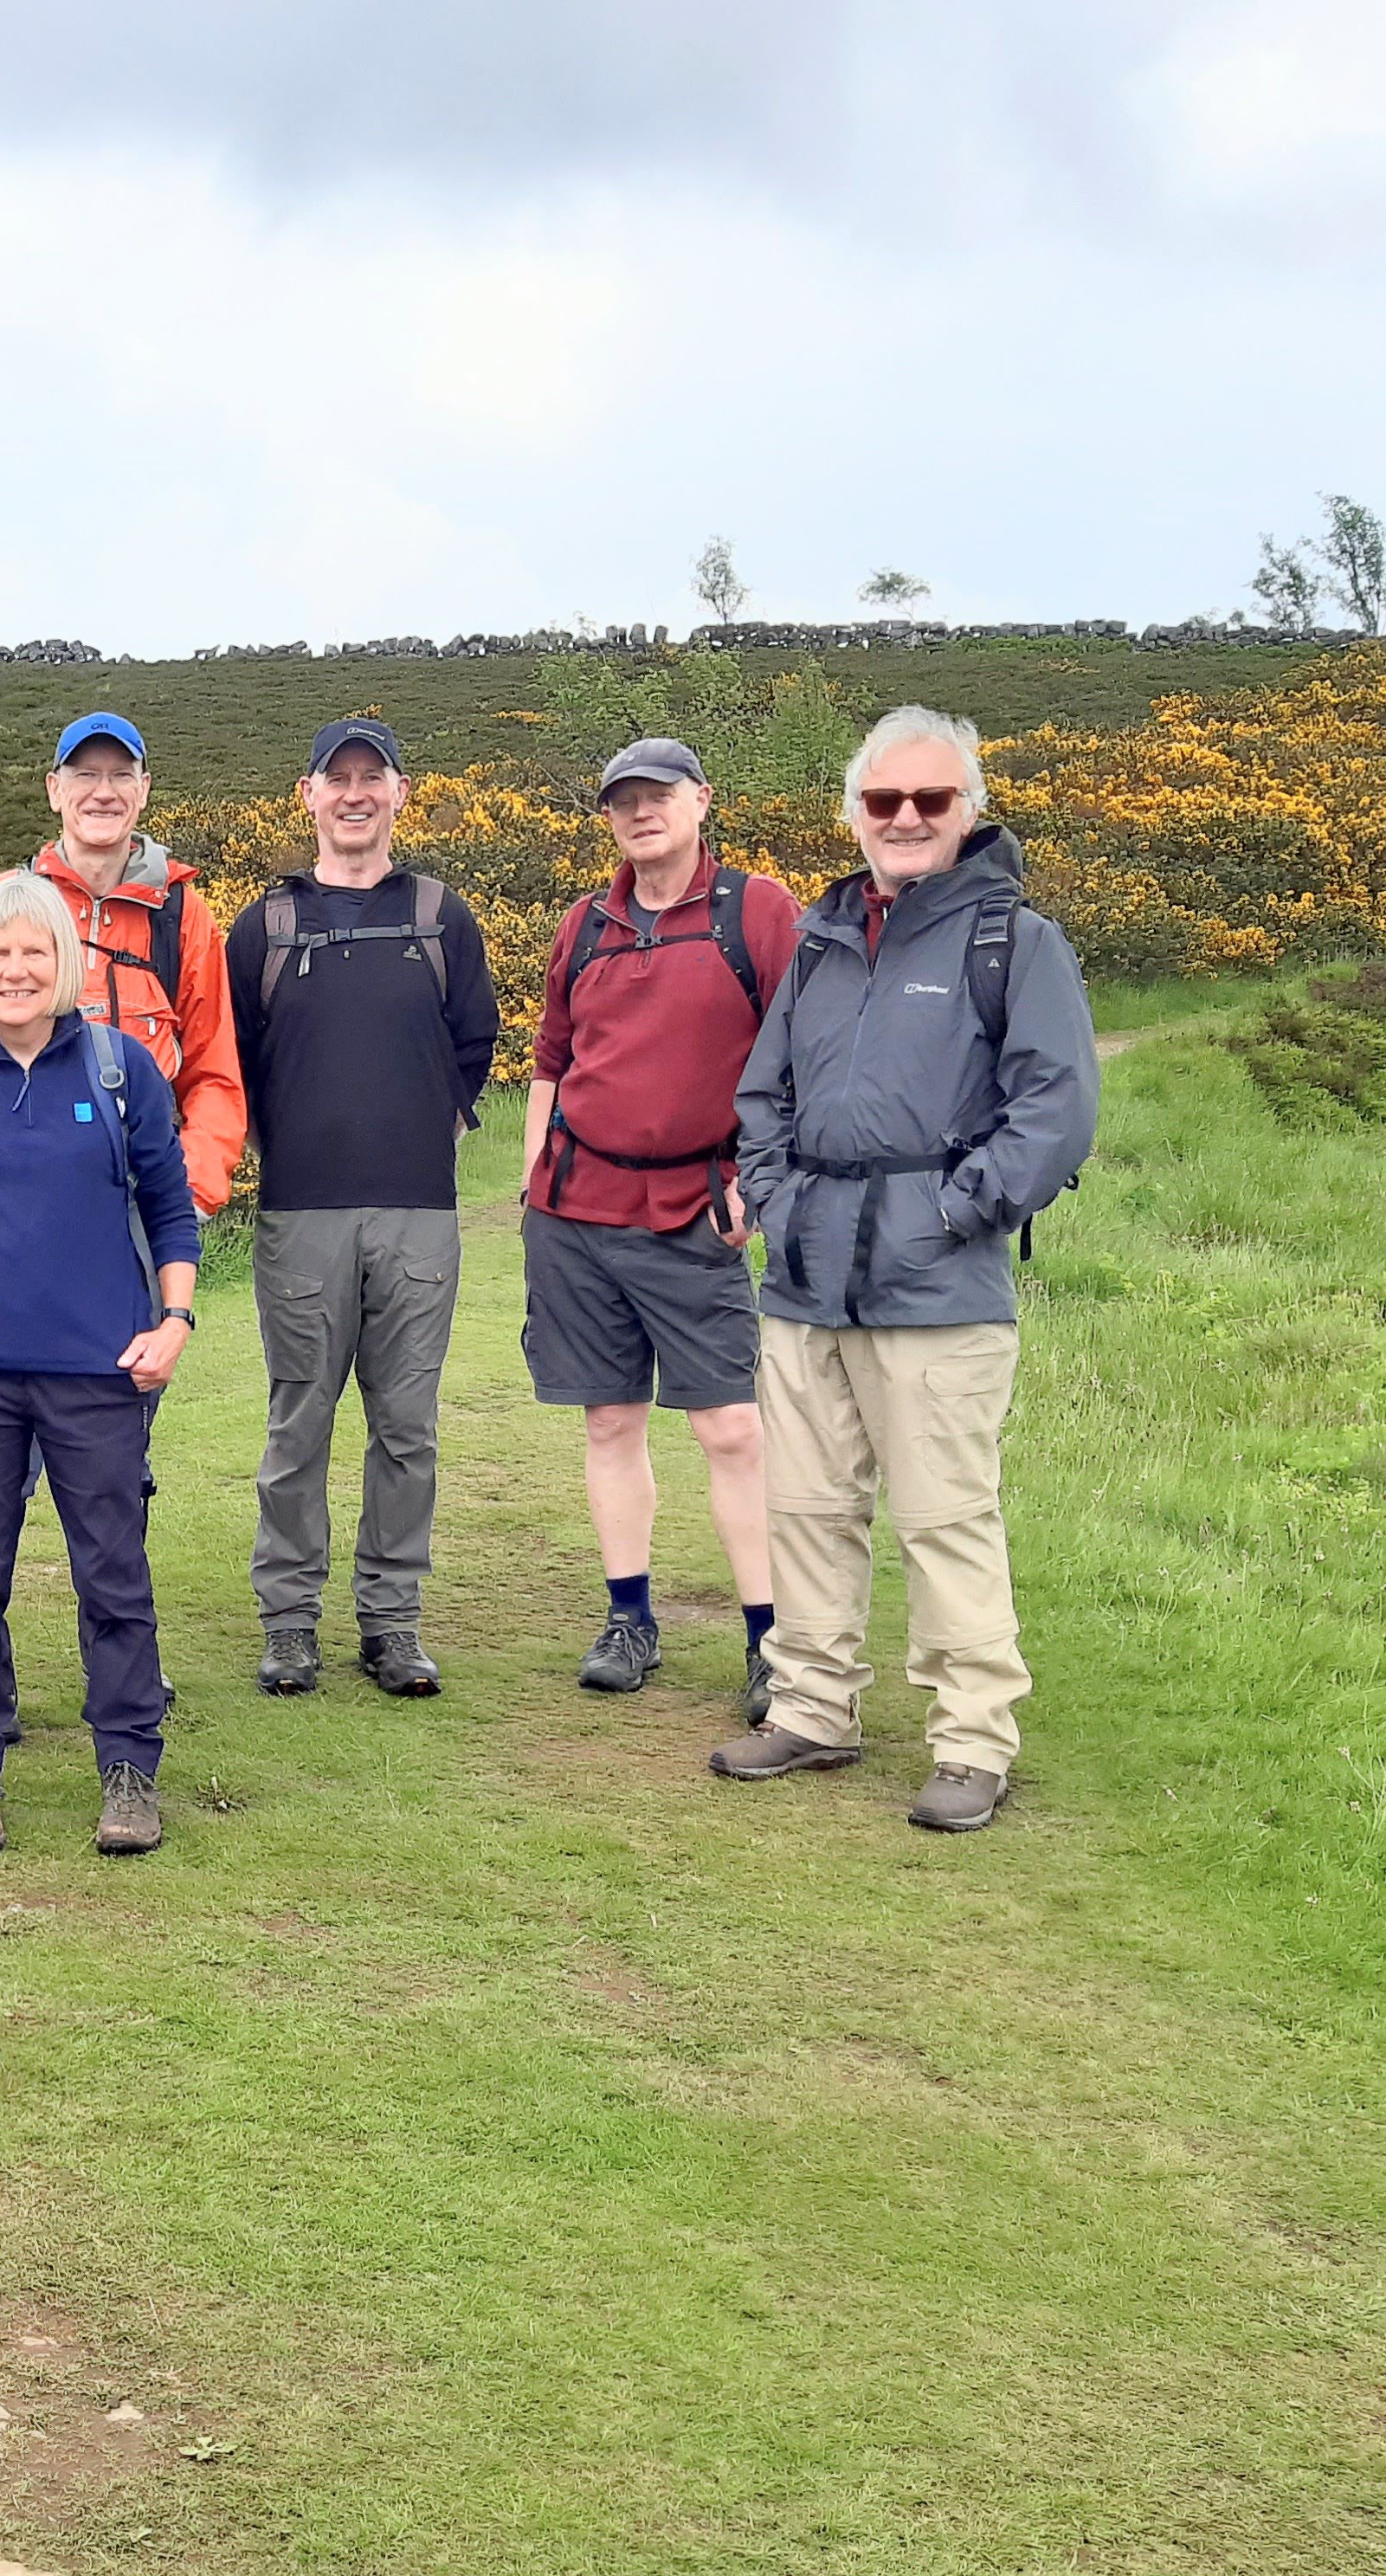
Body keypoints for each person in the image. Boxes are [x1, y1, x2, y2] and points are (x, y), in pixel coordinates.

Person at [715, 707, 1098, 1831]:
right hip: (806, 1283)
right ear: (855, 814)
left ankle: (974, 1743)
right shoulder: (827, 939)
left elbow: (1056, 1113)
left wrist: (951, 1210)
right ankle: (812, 1712)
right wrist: (779, 1203)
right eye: (885, 802)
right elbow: (761, 1095)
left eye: (932, 800)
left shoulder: (1014, 945)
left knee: (945, 1520)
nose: (908, 820)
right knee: (806, 1508)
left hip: (939, 1289)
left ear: (969, 810)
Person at [0, 869, 203, 1856]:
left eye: (34, 952)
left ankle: (129, 1768)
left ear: (64, 962)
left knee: (113, 1575)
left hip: (100, 1372)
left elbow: (169, 1204)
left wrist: (177, 1320)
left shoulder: (121, 1072)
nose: (16, 970)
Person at [520, 735, 806, 1722]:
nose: (642, 813)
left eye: (660, 796)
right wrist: (531, 1178)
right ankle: (628, 1620)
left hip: (695, 1213)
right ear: (609, 818)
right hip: (577, 1211)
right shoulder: (585, 924)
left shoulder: (757, 913)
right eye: (623, 801)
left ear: (701, 802)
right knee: (610, 1420)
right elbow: (552, 1057)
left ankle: (775, 1642)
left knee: (730, 1427)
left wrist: (754, 1182)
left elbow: (805, 1050)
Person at [223, 719, 499, 1700]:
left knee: (407, 1428)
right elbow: (236, 1066)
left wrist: (434, 1134)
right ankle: (290, 1622)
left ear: (398, 793)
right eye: (335, 779)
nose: (353, 793)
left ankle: (392, 1623)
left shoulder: (440, 915)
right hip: (301, 1216)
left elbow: (478, 1049)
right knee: (298, 1422)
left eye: (369, 778)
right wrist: (276, 1147)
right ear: (307, 796)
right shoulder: (263, 925)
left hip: (420, 1216)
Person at [0, 712, 245, 1217]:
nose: (104, 792)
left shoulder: (182, 916)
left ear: (143, 790)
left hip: (142, 1214)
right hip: (14, 1208)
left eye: (121, 775)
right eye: (85, 775)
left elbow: (214, 1074)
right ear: (55, 790)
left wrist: (187, 1195)